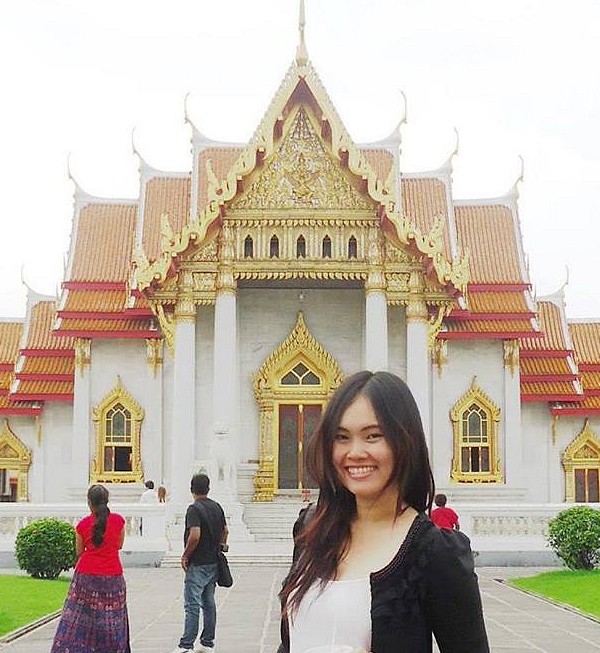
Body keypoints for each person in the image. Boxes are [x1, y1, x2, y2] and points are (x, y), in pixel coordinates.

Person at [278, 371, 489, 653]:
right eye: (342, 437)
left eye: (373, 436)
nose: (354, 452)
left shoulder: (436, 552)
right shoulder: (313, 530)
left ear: (405, 441)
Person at [51, 484, 130, 652]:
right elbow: (119, 544)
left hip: (86, 575)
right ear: (107, 501)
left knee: (80, 617)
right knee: (112, 618)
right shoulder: (118, 521)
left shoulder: (83, 524)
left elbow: (80, 551)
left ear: (89, 503)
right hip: (113, 574)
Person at [172, 473, 229, 653]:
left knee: (192, 605)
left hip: (198, 563)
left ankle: (186, 644)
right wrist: (220, 546)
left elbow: (195, 535)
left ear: (192, 489)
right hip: (213, 561)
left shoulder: (194, 509)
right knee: (209, 602)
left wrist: (185, 555)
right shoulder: (217, 507)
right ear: (208, 488)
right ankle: (207, 642)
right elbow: (225, 530)